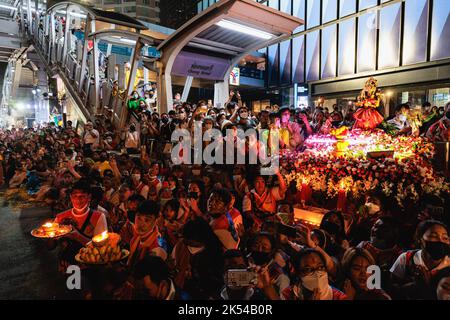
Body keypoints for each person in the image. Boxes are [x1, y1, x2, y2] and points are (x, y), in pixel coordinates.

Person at [53, 179, 108, 270]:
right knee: (72, 283)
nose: (78, 200)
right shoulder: (61, 217)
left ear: (89, 197)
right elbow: (50, 246)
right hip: (67, 265)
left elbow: (101, 248)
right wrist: (49, 236)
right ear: (70, 197)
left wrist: (77, 236)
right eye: (75, 196)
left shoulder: (98, 217)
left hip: (89, 265)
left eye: (82, 196)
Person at [390, 220, 449, 299]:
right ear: (420, 239)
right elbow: (392, 288)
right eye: (433, 236)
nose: (440, 241)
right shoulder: (406, 258)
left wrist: (427, 287)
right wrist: (414, 286)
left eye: (445, 238)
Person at [282, 248, 347, 300]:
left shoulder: (339, 297)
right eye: (308, 269)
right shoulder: (289, 294)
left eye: (320, 267)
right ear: (299, 273)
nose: (316, 274)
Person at [127, 200, 168, 271]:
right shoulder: (136, 237)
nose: (141, 224)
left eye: (147, 220)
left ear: (156, 220)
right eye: (139, 218)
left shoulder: (158, 245)